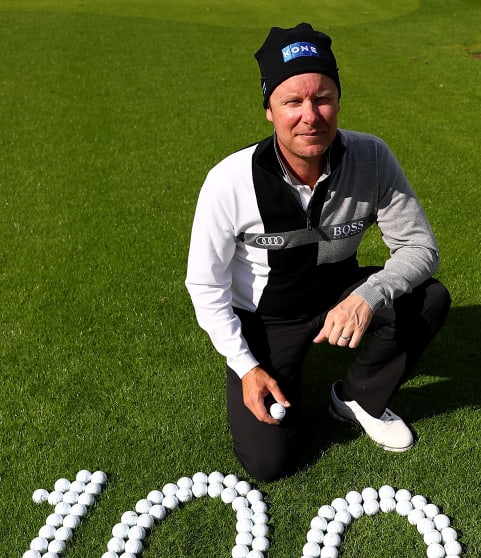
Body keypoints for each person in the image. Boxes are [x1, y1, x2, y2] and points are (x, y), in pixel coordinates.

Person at [185, 22, 451, 482]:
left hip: (336, 293)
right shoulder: (229, 181)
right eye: (292, 102)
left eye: (322, 97)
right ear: (269, 108)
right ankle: (275, 372)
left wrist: (366, 297)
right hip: (266, 317)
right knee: (270, 461)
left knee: (429, 298)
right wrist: (246, 366)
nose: (311, 115)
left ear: (338, 100)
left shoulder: (371, 157)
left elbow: (419, 247)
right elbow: (205, 285)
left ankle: (356, 397)